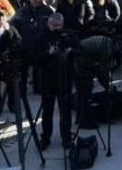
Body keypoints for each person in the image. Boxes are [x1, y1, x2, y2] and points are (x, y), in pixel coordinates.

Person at [36, 13, 80, 149]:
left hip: (65, 76)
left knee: (65, 110)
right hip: (48, 78)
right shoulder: (42, 37)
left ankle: (66, 137)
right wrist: (49, 53)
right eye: (53, 25)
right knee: (47, 110)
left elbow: (80, 50)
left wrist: (70, 51)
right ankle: (45, 137)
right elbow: (36, 59)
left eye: (59, 25)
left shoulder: (68, 35)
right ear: (48, 24)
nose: (56, 28)